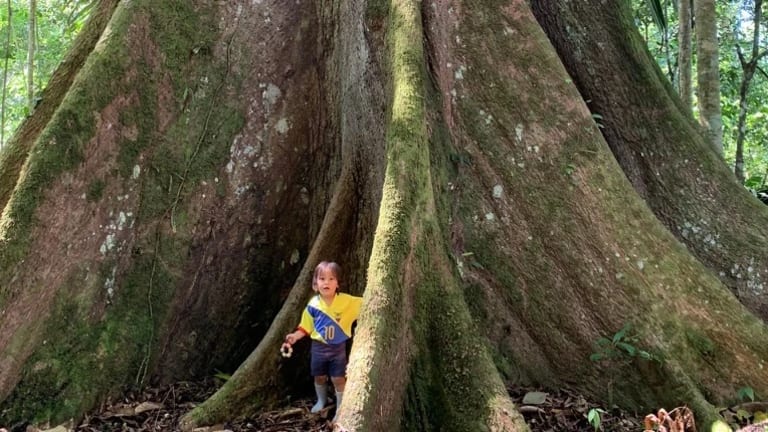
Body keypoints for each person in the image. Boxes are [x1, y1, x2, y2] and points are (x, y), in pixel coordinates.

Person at [282, 261, 363, 419]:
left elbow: (368, 302)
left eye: (331, 279)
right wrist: (294, 337)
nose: (326, 282)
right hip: (318, 348)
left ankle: (340, 407)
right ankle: (321, 400)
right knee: (319, 376)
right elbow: (305, 327)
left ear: (338, 283)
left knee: (338, 378)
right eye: (322, 278)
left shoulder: (348, 302)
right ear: (315, 283)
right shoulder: (313, 305)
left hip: (338, 349)